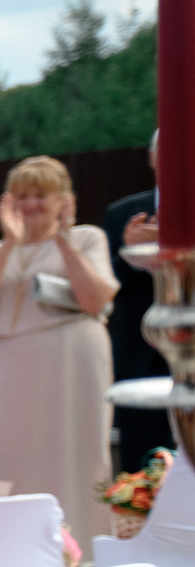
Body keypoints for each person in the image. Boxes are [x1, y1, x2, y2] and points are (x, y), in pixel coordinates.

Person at [0, 155, 121, 531]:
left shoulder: (87, 238)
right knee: (15, 450)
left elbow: (96, 300)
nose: (31, 203)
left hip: (74, 354)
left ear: (63, 200)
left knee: (79, 448)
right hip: (19, 359)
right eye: (23, 195)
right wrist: (10, 243)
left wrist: (64, 240)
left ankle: (86, 538)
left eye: (41, 195)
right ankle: (18, 536)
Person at [105, 132, 168, 471]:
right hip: (139, 356)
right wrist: (132, 253)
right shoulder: (123, 214)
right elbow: (106, 285)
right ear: (152, 158)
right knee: (142, 463)